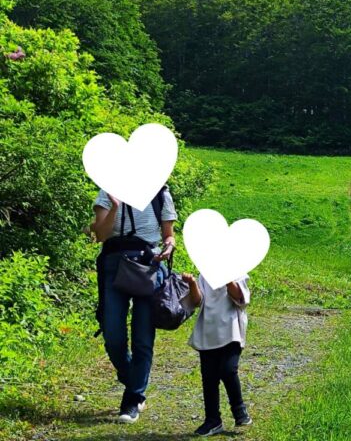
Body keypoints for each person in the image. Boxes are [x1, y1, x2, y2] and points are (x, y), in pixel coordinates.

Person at [90, 186, 177, 424]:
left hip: (149, 267)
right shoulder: (108, 189)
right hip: (113, 265)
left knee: (142, 335)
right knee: (113, 334)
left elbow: (168, 234)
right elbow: (99, 235)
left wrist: (169, 247)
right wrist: (115, 206)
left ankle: (132, 400)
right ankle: (134, 381)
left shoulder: (160, 192)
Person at [180, 271, 253, 437]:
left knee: (228, 369)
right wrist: (192, 283)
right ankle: (213, 420)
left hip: (230, 329)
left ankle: (239, 409)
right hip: (208, 329)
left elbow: (240, 298)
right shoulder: (204, 273)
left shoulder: (236, 269)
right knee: (209, 376)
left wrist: (227, 280)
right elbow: (198, 301)